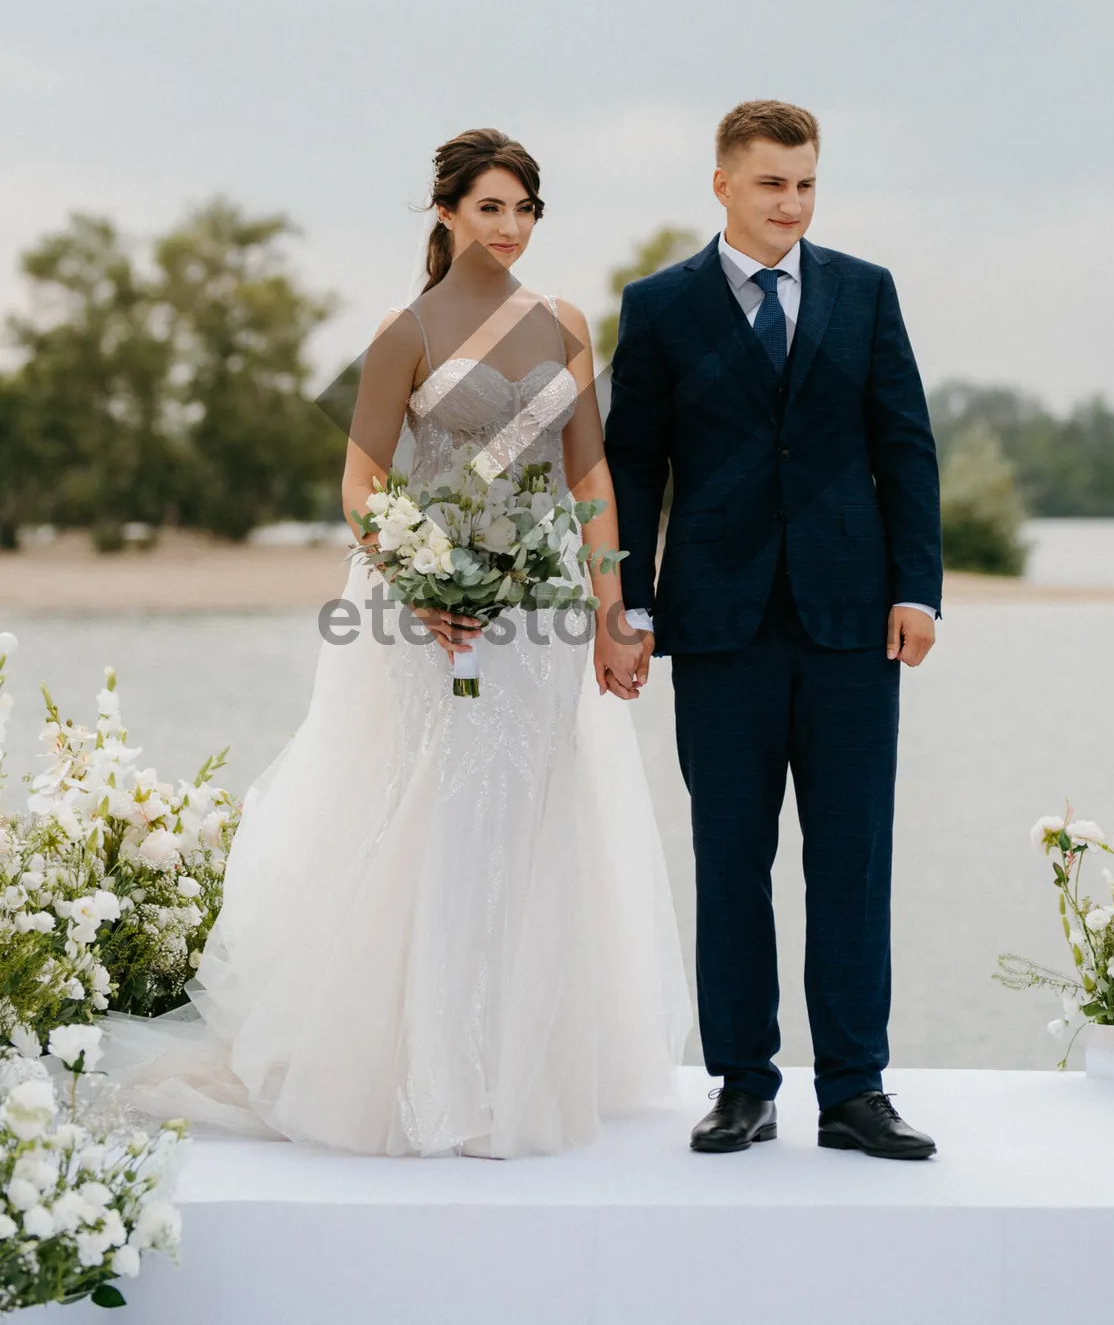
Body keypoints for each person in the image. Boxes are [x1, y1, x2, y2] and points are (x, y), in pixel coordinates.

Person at [114, 128, 689, 1158]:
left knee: (530, 817)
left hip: (543, 618)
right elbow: (359, 483)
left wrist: (613, 609)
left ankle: (514, 1068)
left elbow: (591, 478)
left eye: (525, 210)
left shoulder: (562, 324)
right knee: (449, 811)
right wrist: (420, 583)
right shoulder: (405, 331)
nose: (509, 228)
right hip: (434, 620)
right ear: (446, 213)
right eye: (490, 208)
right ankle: (435, 1082)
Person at [605, 99, 942, 1159]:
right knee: (730, 858)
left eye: (802, 184)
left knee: (852, 859)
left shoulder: (864, 291)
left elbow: (907, 446)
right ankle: (742, 1084)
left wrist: (918, 588)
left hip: (852, 624)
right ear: (722, 184)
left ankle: (853, 1088)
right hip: (718, 628)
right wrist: (631, 605)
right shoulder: (658, 307)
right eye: (768, 184)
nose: (788, 203)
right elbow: (632, 464)